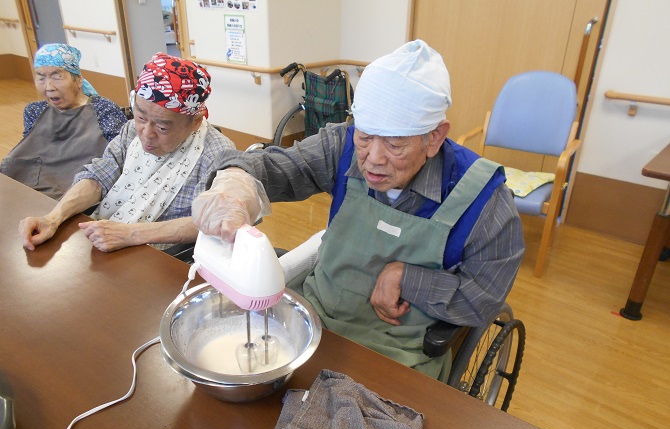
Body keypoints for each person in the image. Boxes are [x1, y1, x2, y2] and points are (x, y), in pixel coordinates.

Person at [192, 40, 525, 382]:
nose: (374, 159)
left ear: (435, 137)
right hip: (314, 323)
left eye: (394, 144)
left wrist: (407, 278)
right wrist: (233, 186)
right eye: (366, 137)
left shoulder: (485, 204)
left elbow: (481, 299)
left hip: (399, 355)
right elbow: (270, 167)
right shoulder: (344, 145)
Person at [18, 52, 235, 253]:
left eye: (162, 127)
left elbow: (214, 220)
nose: (146, 134)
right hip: (107, 240)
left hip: (161, 257)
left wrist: (130, 233)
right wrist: (53, 218)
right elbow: (99, 176)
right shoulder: (131, 131)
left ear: (195, 121)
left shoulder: (216, 153)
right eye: (141, 117)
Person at [1, 43, 127, 200]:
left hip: (78, 191)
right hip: (31, 186)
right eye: (40, 77)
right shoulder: (34, 111)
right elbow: (29, 152)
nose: (49, 87)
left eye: (57, 76)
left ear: (78, 80)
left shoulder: (104, 109)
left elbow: (119, 157)